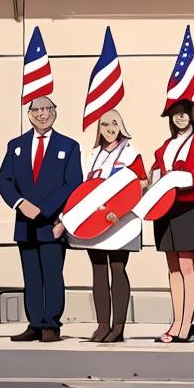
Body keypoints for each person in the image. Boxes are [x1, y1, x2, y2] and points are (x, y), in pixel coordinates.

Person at [0, 96, 82, 342]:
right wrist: (21, 204)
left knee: (52, 274)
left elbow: (73, 184)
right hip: (24, 223)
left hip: (52, 223)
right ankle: (34, 323)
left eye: (47, 109)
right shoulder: (16, 145)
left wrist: (43, 209)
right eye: (37, 110)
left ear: (55, 112)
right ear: (29, 113)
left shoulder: (69, 146)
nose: (42, 114)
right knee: (31, 275)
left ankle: (51, 325)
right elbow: (4, 180)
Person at [70, 109, 147, 343]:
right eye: (105, 124)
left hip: (120, 221)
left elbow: (141, 183)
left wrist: (119, 209)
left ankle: (119, 327)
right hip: (94, 220)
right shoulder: (93, 154)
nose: (110, 128)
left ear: (121, 126)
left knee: (117, 268)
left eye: (114, 123)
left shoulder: (131, 154)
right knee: (98, 270)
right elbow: (83, 188)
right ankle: (102, 325)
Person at [150, 99, 194, 343]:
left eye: (183, 114)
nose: (179, 118)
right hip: (165, 209)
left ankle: (187, 324)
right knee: (173, 267)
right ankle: (175, 322)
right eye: (175, 115)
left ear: (191, 116)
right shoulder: (166, 145)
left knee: (186, 266)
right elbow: (155, 171)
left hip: (187, 207)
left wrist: (174, 178)